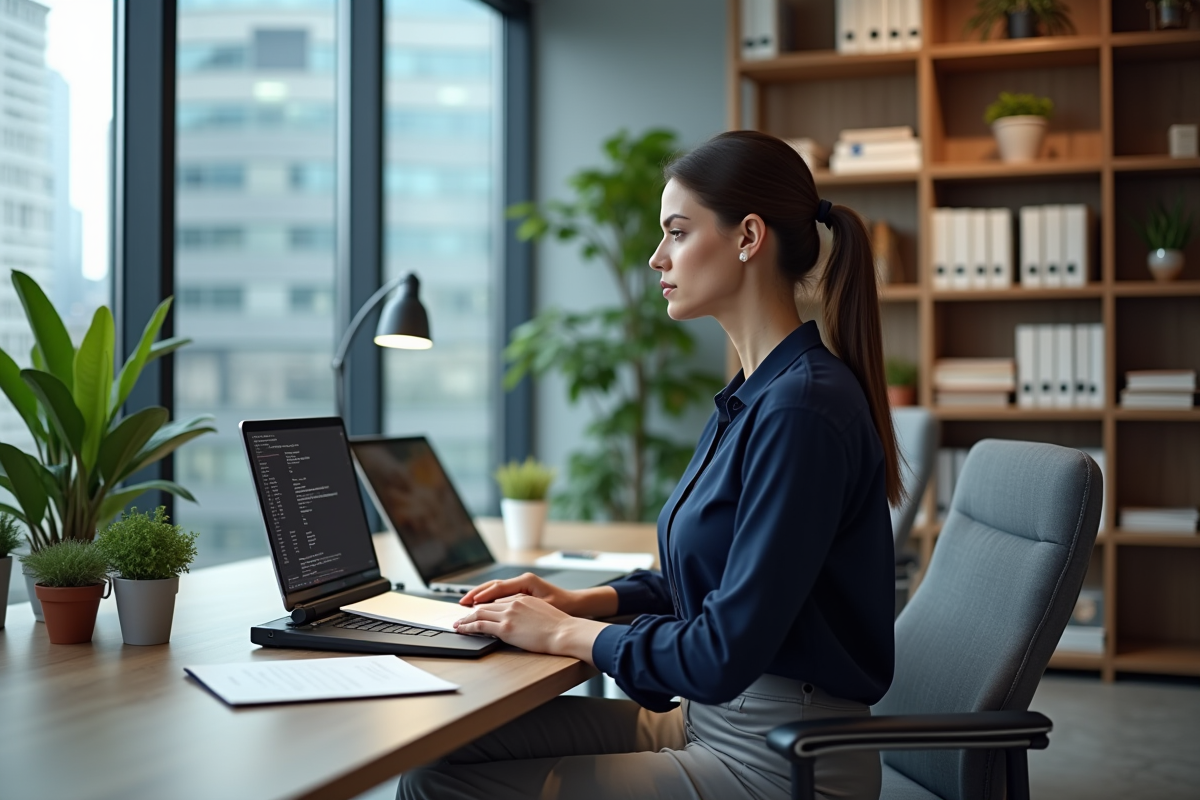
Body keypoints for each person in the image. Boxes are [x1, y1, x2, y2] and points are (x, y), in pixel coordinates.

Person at [398, 130, 901, 800]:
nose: (656, 257)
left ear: (749, 237)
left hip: (780, 759)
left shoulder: (801, 411)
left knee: (451, 789)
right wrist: (582, 601)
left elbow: (723, 650)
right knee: (442, 756)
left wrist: (568, 634)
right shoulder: (756, 397)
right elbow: (712, 582)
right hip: (717, 720)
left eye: (678, 232)